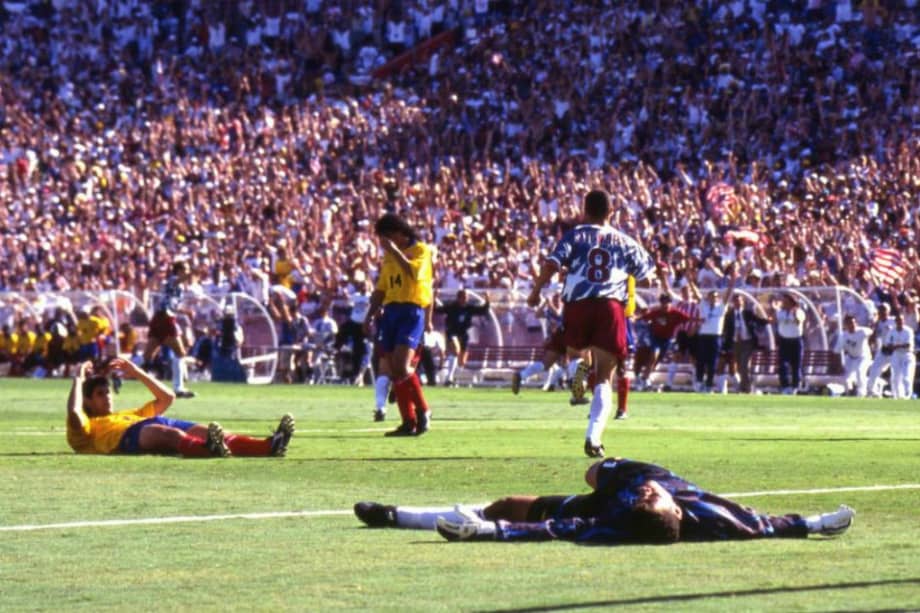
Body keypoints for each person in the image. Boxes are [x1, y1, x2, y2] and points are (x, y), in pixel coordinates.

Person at [354, 457, 855, 545]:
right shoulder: (711, 513)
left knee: (506, 505)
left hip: (598, 496)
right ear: (673, 509)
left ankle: (395, 516)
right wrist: (816, 521)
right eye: (651, 497)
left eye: (646, 498)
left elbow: (552, 530)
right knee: (597, 469)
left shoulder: (617, 516)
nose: (648, 494)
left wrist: (484, 532)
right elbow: (769, 524)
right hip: (621, 480)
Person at [528, 190, 657, 458]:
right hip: (610, 306)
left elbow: (551, 264)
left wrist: (536, 291)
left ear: (584, 210)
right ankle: (594, 436)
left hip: (577, 305)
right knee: (605, 376)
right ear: (612, 213)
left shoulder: (574, 236)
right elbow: (647, 278)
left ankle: (578, 373)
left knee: (576, 351)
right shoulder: (624, 240)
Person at [66, 358, 295, 458]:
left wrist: (136, 372)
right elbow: (75, 414)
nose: (107, 398)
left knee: (212, 432)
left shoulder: (127, 414)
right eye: (99, 394)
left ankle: (268, 446)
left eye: (107, 392)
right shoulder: (88, 427)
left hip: (143, 425)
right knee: (169, 434)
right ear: (87, 400)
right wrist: (77, 379)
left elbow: (167, 398)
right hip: (128, 437)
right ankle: (208, 450)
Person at [363, 213, 435, 436]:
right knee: (394, 371)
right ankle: (408, 422)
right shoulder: (388, 257)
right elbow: (381, 289)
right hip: (390, 312)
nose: (384, 243)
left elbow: (414, 274)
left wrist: (394, 251)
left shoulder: (421, 250)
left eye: (386, 237)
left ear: (398, 234)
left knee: (403, 367)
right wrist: (368, 315)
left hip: (411, 311)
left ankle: (424, 411)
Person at [144, 260, 196, 398]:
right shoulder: (173, 280)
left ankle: (119, 375)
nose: (186, 272)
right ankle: (178, 388)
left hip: (159, 318)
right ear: (178, 271)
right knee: (180, 353)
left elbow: (174, 305)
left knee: (148, 356)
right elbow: (181, 279)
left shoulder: (178, 289)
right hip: (165, 319)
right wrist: (195, 270)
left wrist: (186, 311)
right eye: (184, 269)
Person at [435, 288, 491, 386]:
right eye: (463, 296)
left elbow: (483, 310)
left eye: (466, 297)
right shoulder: (452, 307)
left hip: (464, 334)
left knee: (461, 362)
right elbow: (437, 310)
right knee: (456, 351)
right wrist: (434, 297)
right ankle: (449, 378)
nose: (465, 298)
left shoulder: (469, 308)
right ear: (458, 297)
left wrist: (487, 299)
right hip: (452, 332)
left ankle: (452, 378)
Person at [693, 270, 737, 393]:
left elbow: (728, 295)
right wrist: (691, 281)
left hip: (715, 337)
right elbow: (695, 293)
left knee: (713, 362)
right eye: (712, 296)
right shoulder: (704, 306)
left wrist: (732, 283)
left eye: (716, 297)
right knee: (701, 360)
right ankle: (699, 382)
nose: (714, 298)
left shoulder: (721, 307)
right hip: (703, 336)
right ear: (708, 298)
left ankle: (708, 385)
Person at [723, 293, 770, 394]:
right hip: (735, 343)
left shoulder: (747, 313)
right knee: (739, 366)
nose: (738, 303)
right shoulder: (729, 315)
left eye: (740, 301)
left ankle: (746, 388)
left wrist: (767, 321)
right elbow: (726, 329)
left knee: (744, 365)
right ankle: (744, 386)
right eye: (736, 301)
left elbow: (757, 320)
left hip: (747, 342)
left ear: (743, 302)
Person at [773, 293, 807, 394]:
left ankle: (795, 387)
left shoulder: (799, 312)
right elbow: (773, 320)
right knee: (783, 365)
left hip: (796, 341)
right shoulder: (780, 312)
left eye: (785, 301)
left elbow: (798, 321)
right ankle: (785, 386)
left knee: (796, 365)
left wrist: (794, 312)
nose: (783, 303)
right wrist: (774, 309)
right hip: (784, 341)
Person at [835, 314, 873, 397]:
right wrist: (839, 365)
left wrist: (870, 343)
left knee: (860, 371)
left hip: (863, 356)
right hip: (851, 357)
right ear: (845, 325)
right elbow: (837, 351)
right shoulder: (843, 335)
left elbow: (872, 332)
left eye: (853, 322)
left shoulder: (863, 331)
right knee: (845, 378)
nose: (852, 325)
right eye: (849, 323)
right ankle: (850, 392)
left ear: (856, 323)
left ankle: (862, 393)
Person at [867, 303, 896, 398]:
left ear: (889, 311)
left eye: (884, 310)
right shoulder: (878, 323)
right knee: (874, 369)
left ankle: (897, 394)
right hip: (883, 350)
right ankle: (872, 392)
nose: (882, 312)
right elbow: (873, 338)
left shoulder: (894, 320)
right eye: (881, 310)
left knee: (896, 373)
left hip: (895, 351)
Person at [884, 312, 915, 400]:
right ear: (895, 321)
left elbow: (908, 345)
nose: (899, 322)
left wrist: (895, 346)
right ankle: (897, 396)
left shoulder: (908, 331)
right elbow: (887, 344)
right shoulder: (892, 331)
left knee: (906, 377)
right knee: (895, 377)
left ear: (903, 321)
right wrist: (895, 346)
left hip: (907, 355)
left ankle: (907, 396)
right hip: (896, 355)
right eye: (897, 320)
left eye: (901, 320)